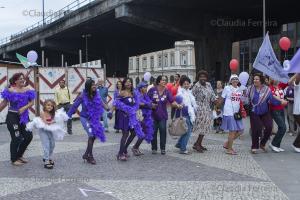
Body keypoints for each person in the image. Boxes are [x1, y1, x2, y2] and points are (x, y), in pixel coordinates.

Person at [68, 79, 109, 165]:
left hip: (94, 119)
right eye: (92, 85)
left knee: (93, 136)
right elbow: (75, 105)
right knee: (91, 135)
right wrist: (68, 115)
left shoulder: (96, 95)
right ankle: (90, 156)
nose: (94, 86)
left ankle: (86, 154)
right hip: (85, 118)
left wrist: (110, 109)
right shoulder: (82, 95)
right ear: (88, 86)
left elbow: (103, 104)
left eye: (95, 84)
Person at [0, 73, 35, 166]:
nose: (22, 80)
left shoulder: (27, 89)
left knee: (28, 136)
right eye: (20, 79)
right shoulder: (11, 91)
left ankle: (19, 155)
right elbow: (4, 103)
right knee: (16, 137)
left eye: (23, 78)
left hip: (24, 117)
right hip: (12, 117)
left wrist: (24, 108)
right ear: (15, 81)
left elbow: (32, 102)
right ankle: (14, 159)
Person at [247, 74, 286, 154]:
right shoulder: (250, 88)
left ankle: (262, 143)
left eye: (257, 79)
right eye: (254, 79)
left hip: (265, 111)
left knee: (269, 127)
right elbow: (245, 98)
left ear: (261, 80)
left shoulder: (266, 89)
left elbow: (272, 99)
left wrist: (280, 102)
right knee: (256, 128)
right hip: (254, 111)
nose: (255, 80)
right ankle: (254, 146)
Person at [26, 99, 68, 169]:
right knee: (46, 145)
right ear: (45, 105)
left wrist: (58, 119)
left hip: (49, 129)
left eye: (51, 106)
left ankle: (47, 157)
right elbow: (46, 122)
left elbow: (56, 120)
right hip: (43, 129)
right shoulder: (42, 113)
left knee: (52, 144)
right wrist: (54, 122)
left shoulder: (52, 113)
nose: (50, 107)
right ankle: (46, 160)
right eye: (48, 105)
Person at [148, 75, 182, 155]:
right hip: (153, 115)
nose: (164, 81)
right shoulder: (152, 90)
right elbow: (147, 100)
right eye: (162, 80)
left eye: (165, 80)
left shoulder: (167, 91)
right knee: (154, 131)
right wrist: (151, 104)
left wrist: (178, 105)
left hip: (162, 115)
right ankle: (154, 148)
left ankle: (163, 148)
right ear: (159, 81)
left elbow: (172, 101)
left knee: (163, 130)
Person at [113, 78, 145, 161]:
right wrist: (125, 110)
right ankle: (120, 154)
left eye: (130, 82)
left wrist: (133, 110)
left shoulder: (133, 93)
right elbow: (117, 103)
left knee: (134, 133)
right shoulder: (122, 92)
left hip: (132, 117)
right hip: (124, 116)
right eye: (127, 82)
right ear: (124, 84)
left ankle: (124, 150)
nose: (128, 83)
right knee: (125, 134)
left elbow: (136, 104)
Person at [192, 70, 217, 153]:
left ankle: (198, 143)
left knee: (205, 127)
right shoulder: (196, 86)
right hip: (199, 109)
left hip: (207, 108)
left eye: (204, 76)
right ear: (198, 78)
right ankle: (197, 144)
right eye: (201, 77)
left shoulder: (209, 85)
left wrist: (217, 101)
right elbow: (192, 97)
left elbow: (213, 96)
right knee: (202, 127)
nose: (203, 78)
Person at [220, 75, 245, 155]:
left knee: (241, 130)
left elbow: (242, 101)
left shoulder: (240, 89)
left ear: (238, 81)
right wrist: (217, 108)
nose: (235, 80)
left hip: (236, 113)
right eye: (233, 79)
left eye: (236, 79)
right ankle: (229, 149)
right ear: (230, 81)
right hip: (229, 112)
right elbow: (222, 99)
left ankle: (227, 143)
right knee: (232, 131)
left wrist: (244, 94)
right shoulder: (227, 88)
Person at [131, 82, 156, 156]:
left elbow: (148, 103)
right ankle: (134, 148)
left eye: (146, 87)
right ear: (140, 88)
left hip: (146, 117)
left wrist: (152, 105)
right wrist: (148, 104)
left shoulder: (145, 95)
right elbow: (138, 104)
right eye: (144, 87)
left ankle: (136, 147)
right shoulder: (138, 95)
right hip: (140, 117)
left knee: (144, 133)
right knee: (141, 133)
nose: (145, 89)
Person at [174, 76, 197, 154]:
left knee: (186, 130)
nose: (186, 85)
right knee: (187, 131)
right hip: (184, 113)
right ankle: (183, 149)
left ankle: (179, 144)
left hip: (189, 113)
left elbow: (192, 103)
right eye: (185, 84)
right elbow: (178, 102)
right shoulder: (180, 92)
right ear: (181, 84)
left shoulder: (188, 92)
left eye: (188, 84)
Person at [268, 79, 288, 152]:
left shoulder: (280, 86)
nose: (277, 79)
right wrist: (281, 101)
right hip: (274, 110)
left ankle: (277, 145)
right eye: (274, 78)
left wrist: (296, 73)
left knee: (282, 128)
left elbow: (289, 82)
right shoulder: (270, 88)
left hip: (281, 109)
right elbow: (272, 97)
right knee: (283, 127)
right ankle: (273, 144)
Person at [288, 74, 300, 152]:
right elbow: (289, 82)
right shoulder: (298, 84)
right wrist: (297, 73)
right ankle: (296, 144)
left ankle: (297, 144)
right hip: (298, 110)